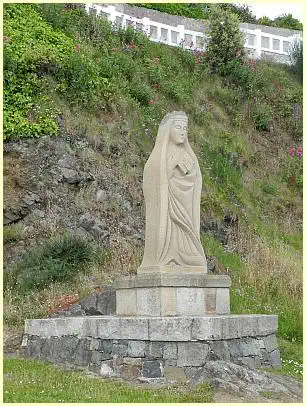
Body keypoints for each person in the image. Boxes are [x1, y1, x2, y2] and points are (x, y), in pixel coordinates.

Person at [139, 111, 207, 272]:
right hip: (168, 205)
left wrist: (191, 173)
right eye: (178, 127)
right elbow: (153, 176)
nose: (183, 131)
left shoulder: (188, 154)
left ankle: (186, 254)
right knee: (169, 231)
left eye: (185, 128)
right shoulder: (160, 155)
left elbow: (195, 179)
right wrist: (171, 165)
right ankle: (167, 256)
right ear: (168, 130)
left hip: (185, 203)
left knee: (187, 237)